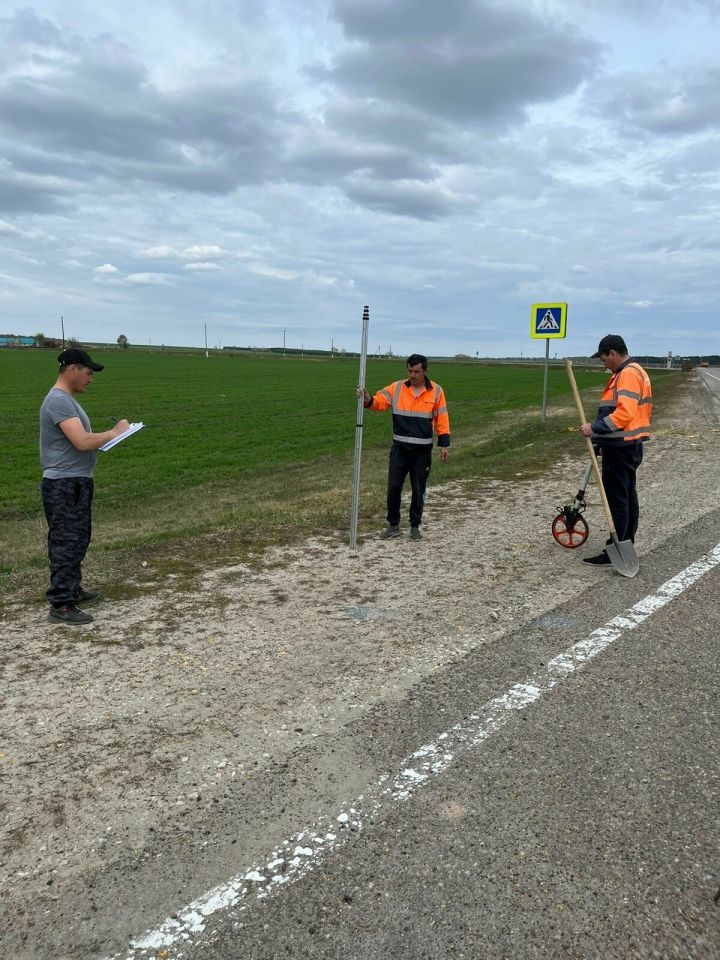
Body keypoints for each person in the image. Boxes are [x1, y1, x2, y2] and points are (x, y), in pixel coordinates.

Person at [40, 348, 129, 624]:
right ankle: (61, 604)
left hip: (75, 481)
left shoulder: (66, 400)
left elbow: (82, 440)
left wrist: (109, 437)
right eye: (88, 373)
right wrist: (114, 433)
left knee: (78, 537)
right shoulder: (59, 401)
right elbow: (81, 441)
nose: (90, 379)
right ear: (72, 369)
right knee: (66, 540)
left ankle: (72, 589)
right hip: (65, 483)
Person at [358, 353, 450, 541]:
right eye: (410, 371)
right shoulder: (397, 388)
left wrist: (444, 444)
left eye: (417, 371)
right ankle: (393, 525)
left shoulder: (436, 391)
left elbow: (442, 417)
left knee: (418, 489)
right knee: (393, 488)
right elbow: (379, 402)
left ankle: (414, 526)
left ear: (425, 371)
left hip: (422, 451)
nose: (413, 375)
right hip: (399, 449)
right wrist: (368, 399)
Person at [579, 334, 652, 566]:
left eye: (603, 358)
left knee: (618, 500)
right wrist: (603, 440)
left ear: (612, 353)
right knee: (628, 497)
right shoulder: (633, 371)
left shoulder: (628, 374)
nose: (603, 363)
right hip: (627, 444)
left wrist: (594, 428)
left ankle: (616, 548)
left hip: (622, 447)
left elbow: (624, 414)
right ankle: (626, 542)